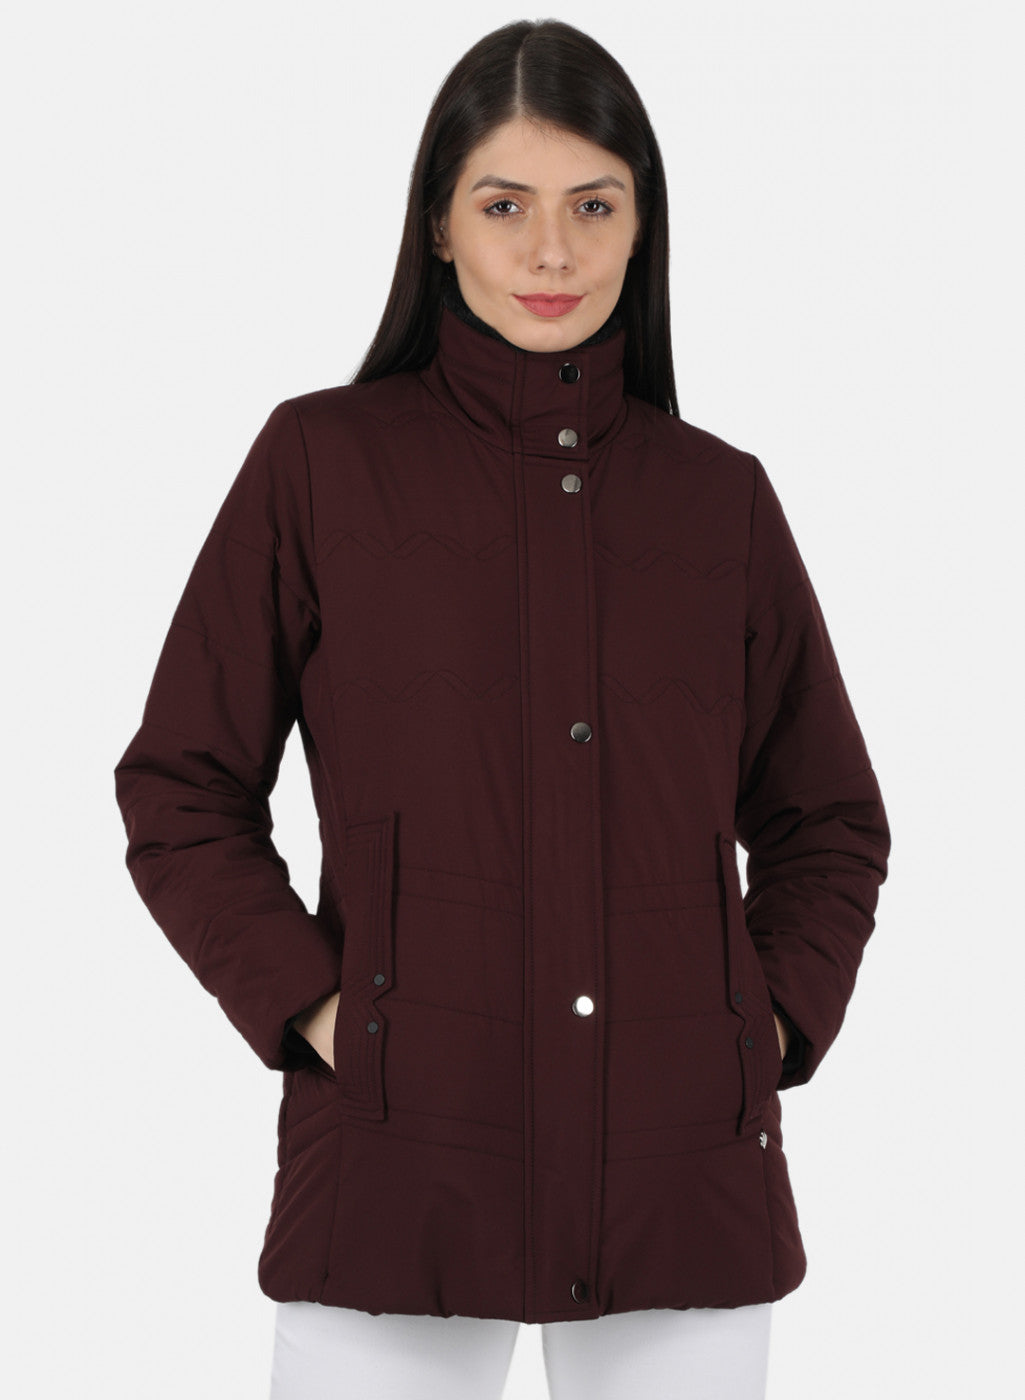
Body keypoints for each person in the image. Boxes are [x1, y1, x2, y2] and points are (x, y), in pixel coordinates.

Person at [113, 18, 891, 1400]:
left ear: (642, 225)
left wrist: (759, 1033)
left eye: (592, 206)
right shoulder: (320, 464)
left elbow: (827, 818)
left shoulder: (720, 501)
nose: (550, 252)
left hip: (680, 1175)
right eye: (503, 205)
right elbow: (180, 787)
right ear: (438, 226)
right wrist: (316, 1011)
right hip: (398, 1166)